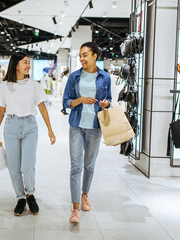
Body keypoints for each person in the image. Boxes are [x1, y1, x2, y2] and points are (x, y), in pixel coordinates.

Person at [0, 52, 56, 216]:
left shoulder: (34, 84)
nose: (28, 65)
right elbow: (0, 112)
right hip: (10, 127)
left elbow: (42, 108)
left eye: (28, 63)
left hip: (30, 126)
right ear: (16, 64)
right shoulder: (5, 86)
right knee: (13, 167)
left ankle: (30, 194)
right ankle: (20, 198)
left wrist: (50, 130)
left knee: (27, 166)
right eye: (24, 62)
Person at [63, 42, 112, 223]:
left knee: (89, 165)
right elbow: (66, 102)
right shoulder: (74, 77)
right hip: (76, 125)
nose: (82, 59)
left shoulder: (105, 77)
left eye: (85, 55)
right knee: (76, 166)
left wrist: (105, 104)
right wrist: (80, 100)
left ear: (94, 56)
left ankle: (85, 195)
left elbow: (110, 101)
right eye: (80, 56)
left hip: (95, 126)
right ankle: (75, 208)